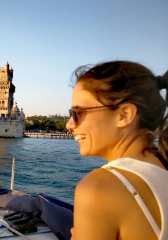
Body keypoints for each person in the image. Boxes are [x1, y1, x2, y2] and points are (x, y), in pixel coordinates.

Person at [66, 61, 168, 240]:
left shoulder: (98, 189)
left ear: (124, 115)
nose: (69, 125)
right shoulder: (162, 164)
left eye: (78, 113)